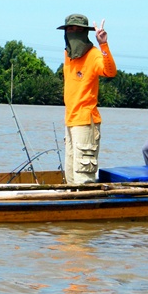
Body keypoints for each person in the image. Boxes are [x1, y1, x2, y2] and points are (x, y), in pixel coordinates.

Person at [58, 14, 117, 184]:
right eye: (70, 29)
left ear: (85, 33)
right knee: (70, 175)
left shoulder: (93, 54)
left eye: (78, 30)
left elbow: (110, 72)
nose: (73, 32)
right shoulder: (67, 54)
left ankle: (87, 205)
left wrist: (103, 44)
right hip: (70, 120)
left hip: (86, 122)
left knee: (83, 177)